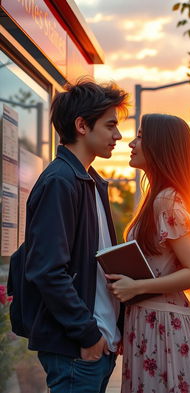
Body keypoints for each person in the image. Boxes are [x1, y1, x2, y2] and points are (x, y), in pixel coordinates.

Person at [107, 114, 190, 393]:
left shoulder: (166, 200)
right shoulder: (157, 199)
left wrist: (136, 287)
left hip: (164, 329)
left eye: (140, 137)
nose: (131, 144)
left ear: (160, 146)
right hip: (150, 324)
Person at [23, 79, 129, 393]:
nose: (118, 135)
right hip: (77, 352)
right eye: (110, 125)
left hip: (96, 348)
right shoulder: (61, 181)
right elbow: (48, 270)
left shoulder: (89, 181)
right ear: (82, 125)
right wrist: (88, 334)